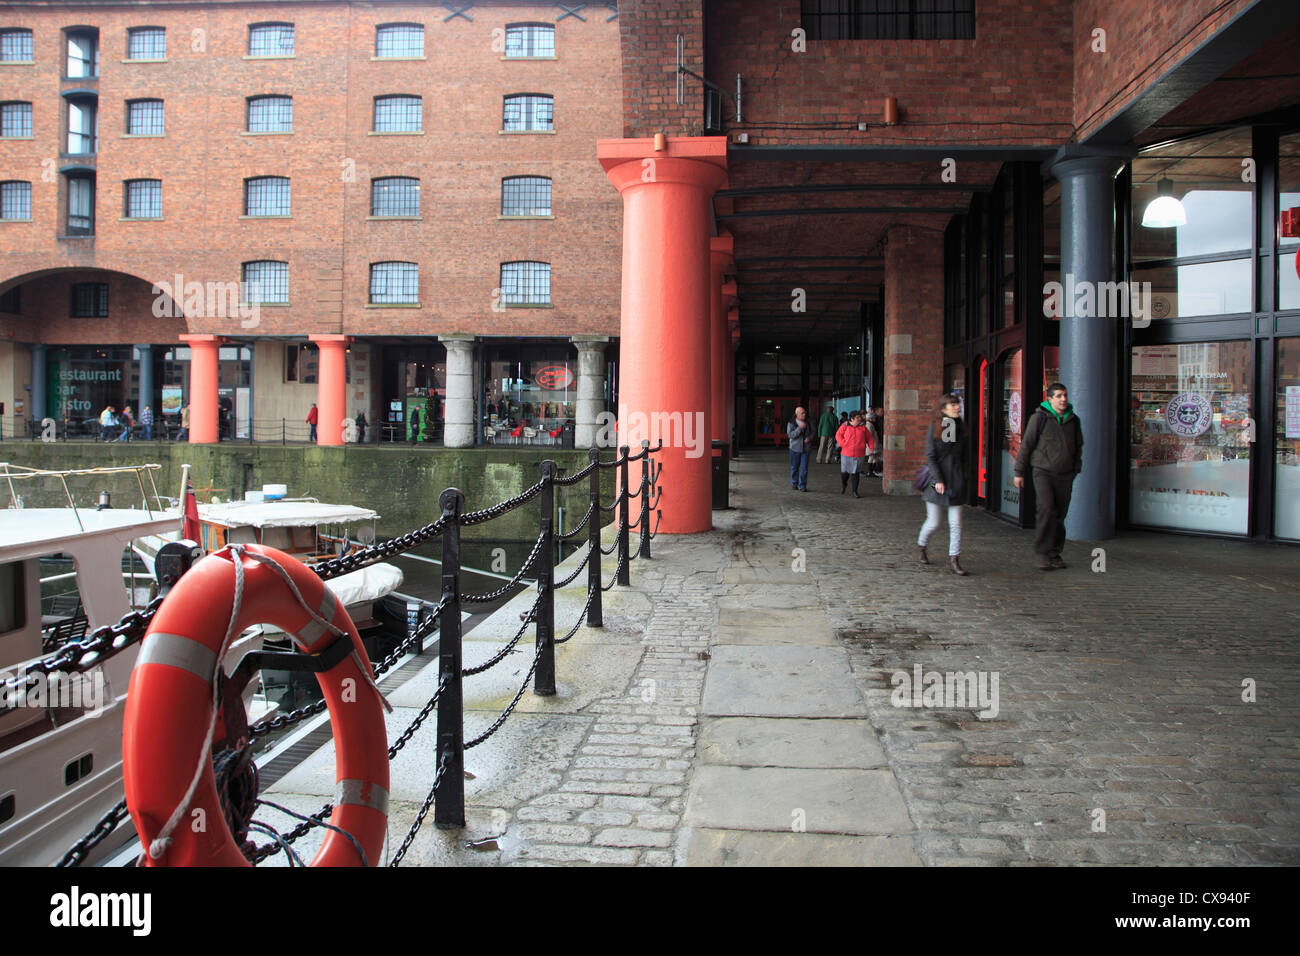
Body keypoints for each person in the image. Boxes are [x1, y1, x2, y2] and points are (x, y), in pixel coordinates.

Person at [1014, 382, 1083, 571]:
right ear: (1050, 399)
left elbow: (1078, 446)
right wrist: (1019, 472)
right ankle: (1042, 553)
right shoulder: (1040, 418)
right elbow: (1027, 444)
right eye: (1059, 396)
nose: (1063, 399)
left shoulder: (1074, 420)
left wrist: (1076, 468)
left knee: (1060, 514)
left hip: (1066, 474)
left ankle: (1055, 553)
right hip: (1042, 471)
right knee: (1046, 510)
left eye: (1065, 395)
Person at [918, 393, 970, 576]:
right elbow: (933, 456)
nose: (957, 407)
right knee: (934, 522)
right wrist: (939, 479)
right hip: (937, 481)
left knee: (956, 523)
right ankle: (921, 546)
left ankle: (954, 559)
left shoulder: (958, 427)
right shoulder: (942, 427)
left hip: (956, 481)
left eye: (957, 404)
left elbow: (961, 457)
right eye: (952, 405)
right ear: (943, 409)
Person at [835, 409, 874, 497]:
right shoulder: (845, 426)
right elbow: (838, 435)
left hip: (859, 454)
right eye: (857, 417)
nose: (859, 419)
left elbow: (870, 438)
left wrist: (871, 447)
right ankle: (844, 484)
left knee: (855, 472)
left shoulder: (863, 428)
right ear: (851, 419)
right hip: (846, 453)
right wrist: (842, 443)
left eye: (859, 417)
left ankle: (854, 491)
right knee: (845, 472)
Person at [786, 405, 814, 491]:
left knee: (804, 468)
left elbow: (813, 432)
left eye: (804, 413)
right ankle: (794, 483)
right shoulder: (791, 423)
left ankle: (802, 486)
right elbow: (790, 435)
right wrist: (799, 428)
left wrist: (810, 438)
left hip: (806, 449)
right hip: (794, 449)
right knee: (794, 467)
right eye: (802, 413)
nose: (804, 414)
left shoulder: (808, 422)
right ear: (797, 414)